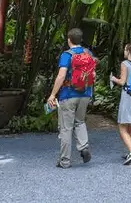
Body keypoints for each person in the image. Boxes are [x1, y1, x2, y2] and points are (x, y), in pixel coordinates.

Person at [48, 28, 95, 169]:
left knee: (66, 128)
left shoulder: (67, 55)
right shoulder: (88, 53)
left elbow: (61, 76)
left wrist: (52, 94)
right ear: (80, 40)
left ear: (69, 40)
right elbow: (93, 75)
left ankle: (65, 161)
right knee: (80, 122)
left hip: (68, 95)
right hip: (85, 94)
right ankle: (84, 146)